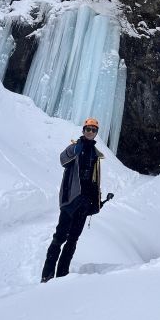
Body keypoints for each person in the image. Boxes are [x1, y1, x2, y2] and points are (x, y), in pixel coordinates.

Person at [41, 117, 104, 283]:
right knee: (59, 238)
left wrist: (95, 201)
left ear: (96, 133)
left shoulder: (96, 155)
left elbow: (94, 179)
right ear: (83, 130)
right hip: (70, 200)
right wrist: (74, 150)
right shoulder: (74, 147)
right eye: (88, 129)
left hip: (84, 202)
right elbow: (63, 159)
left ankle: (62, 275)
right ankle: (47, 276)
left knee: (73, 239)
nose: (90, 132)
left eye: (93, 130)